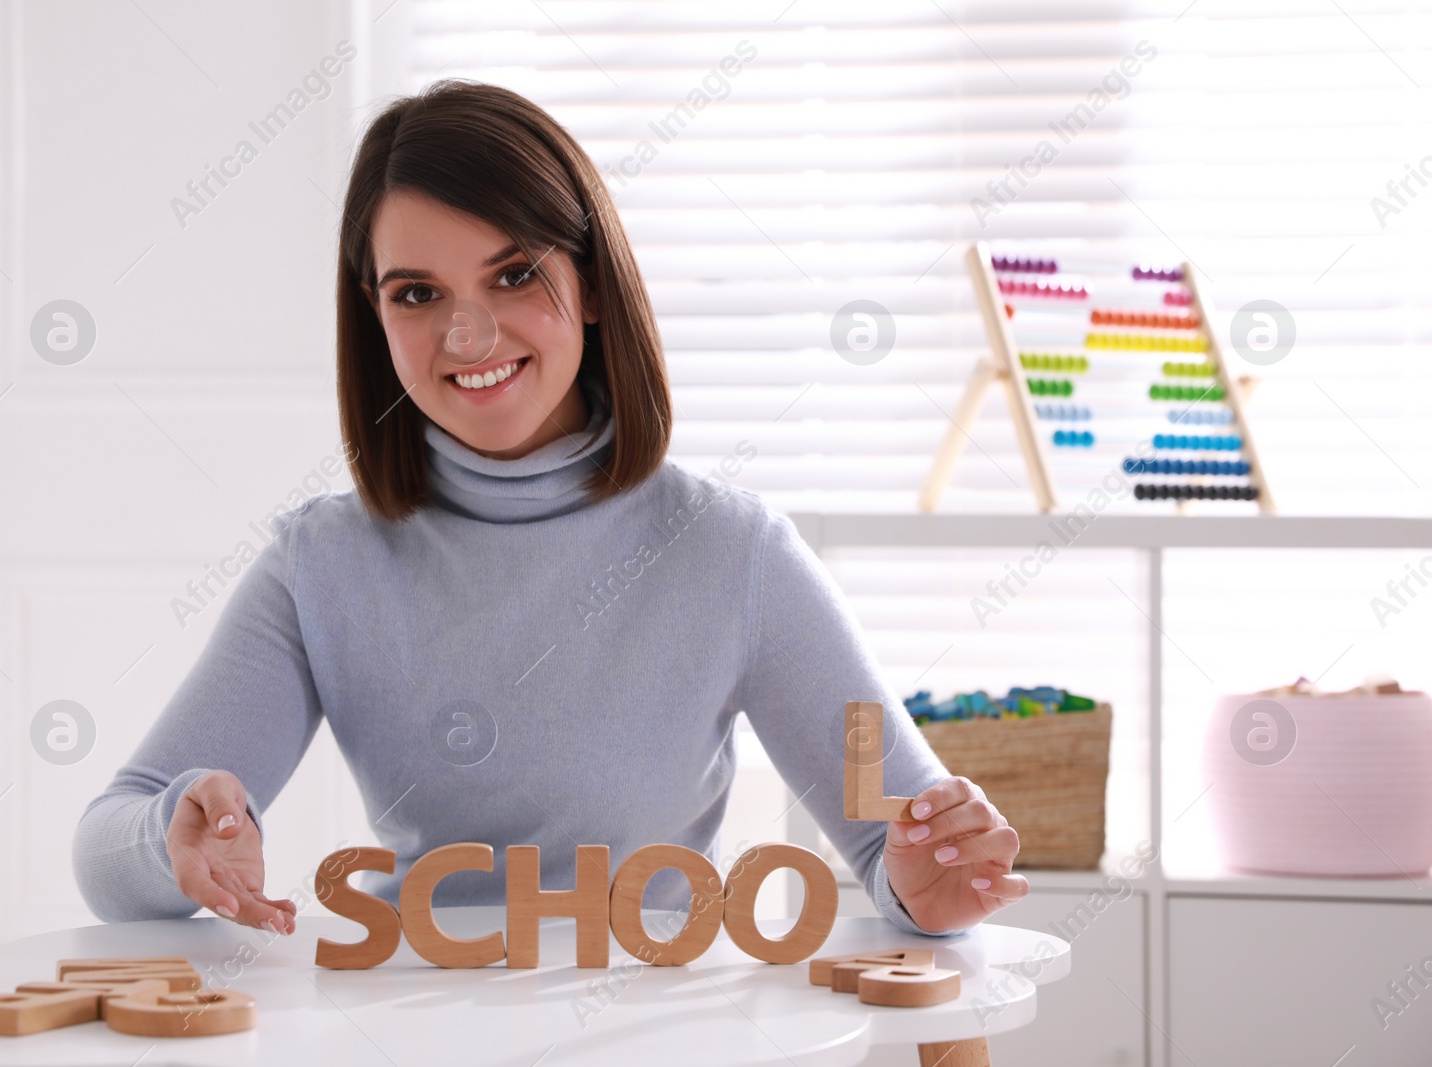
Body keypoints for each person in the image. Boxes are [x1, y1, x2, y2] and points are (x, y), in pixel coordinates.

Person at [73, 79, 1027, 941]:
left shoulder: (735, 554)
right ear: (375, 316)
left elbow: (893, 821)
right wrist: (173, 835)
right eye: (417, 293)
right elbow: (112, 845)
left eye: (515, 273)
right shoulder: (321, 565)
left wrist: (926, 879)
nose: (468, 332)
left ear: (594, 285)